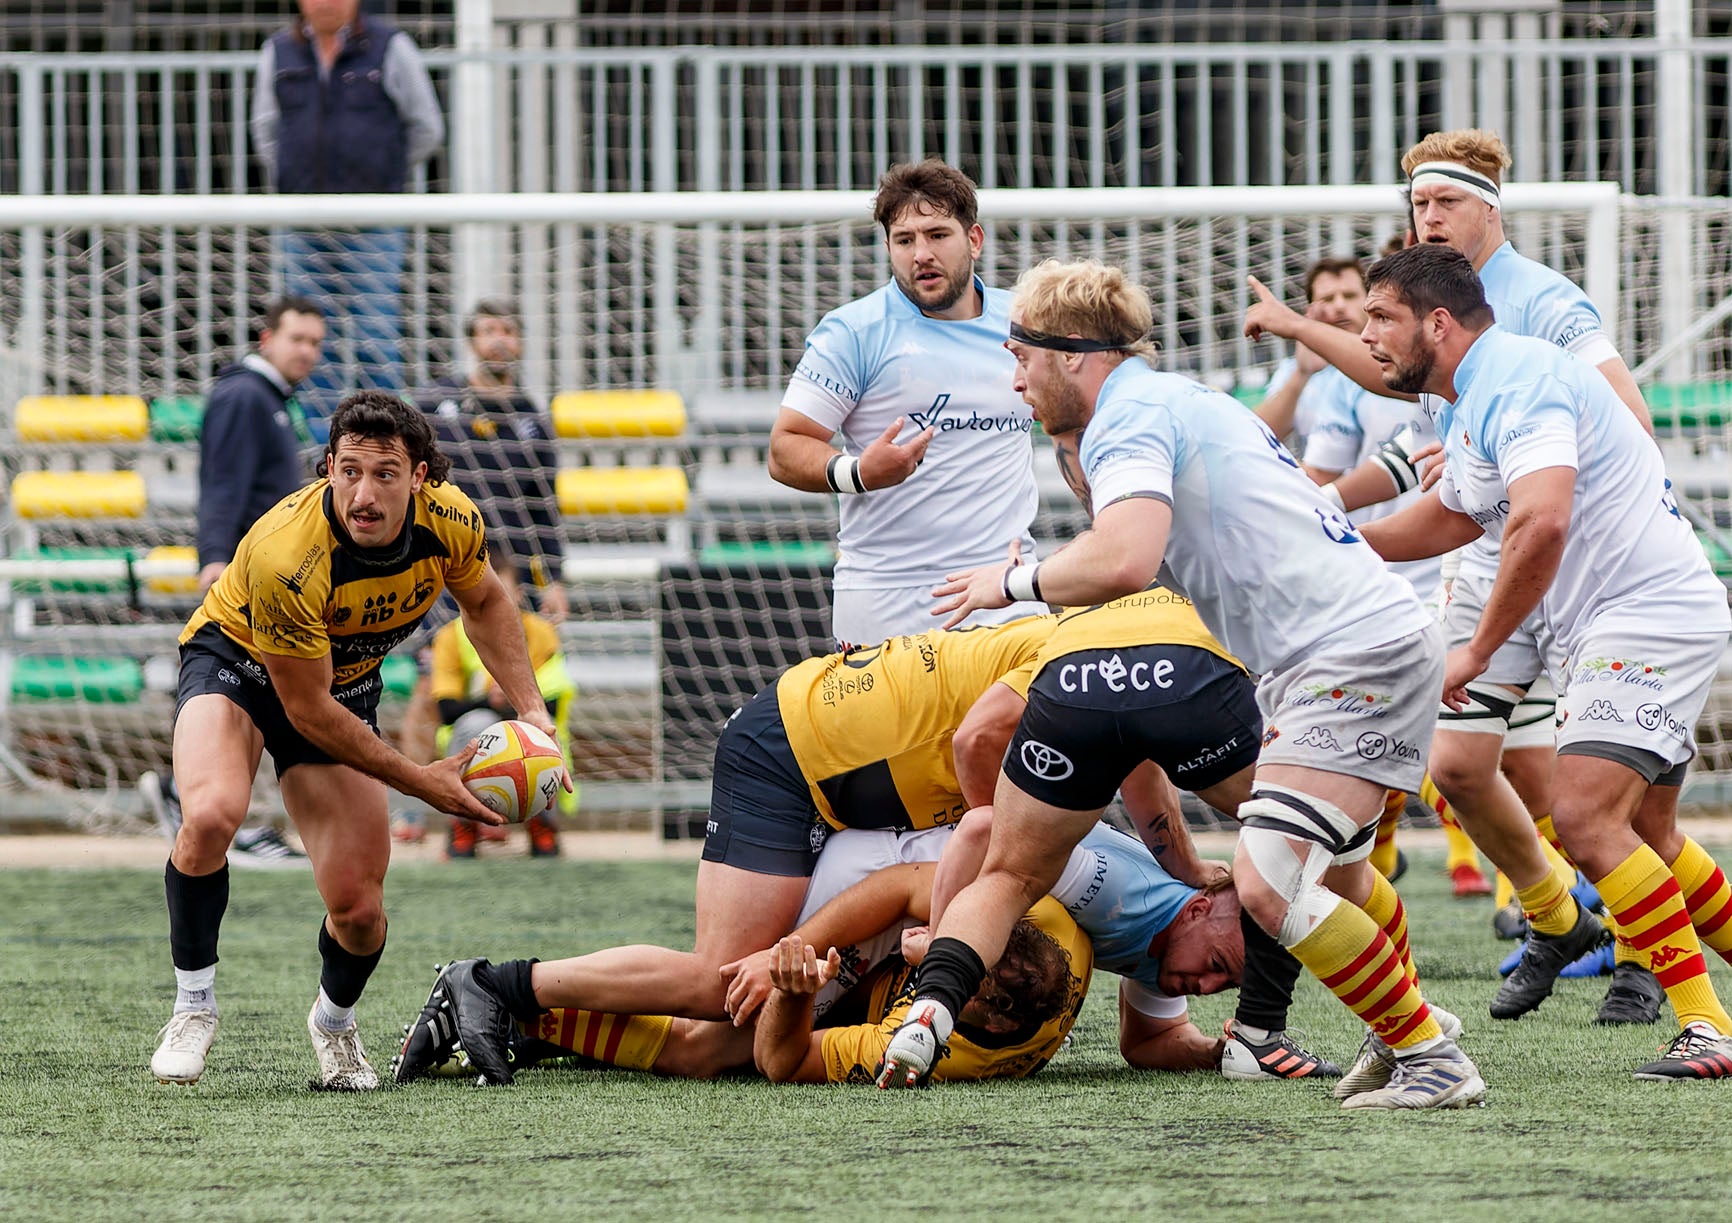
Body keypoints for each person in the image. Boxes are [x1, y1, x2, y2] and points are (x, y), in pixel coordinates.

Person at [891, 258, 1481, 1111]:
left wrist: (1009, 581)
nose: (1013, 375)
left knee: (1267, 882)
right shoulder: (1168, 401)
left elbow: (1125, 560)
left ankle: (1430, 1054)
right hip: (1355, 645)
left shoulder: (1129, 417)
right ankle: (1405, 1036)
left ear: (1076, 353)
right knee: (1345, 879)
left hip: (1345, 654)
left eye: (1022, 354)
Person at [1243, 128, 1659, 1025]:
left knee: (1602, 787)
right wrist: (1292, 327)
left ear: (1491, 207)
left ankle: (1644, 957)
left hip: (1579, 561)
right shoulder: (1425, 300)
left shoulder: (1546, 303)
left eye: (1448, 203)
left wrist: (1511, 463)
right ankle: (1555, 917)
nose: (1429, 217)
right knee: (1459, 762)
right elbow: (1396, 384)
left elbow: (1628, 415)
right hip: (1484, 550)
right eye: (1419, 205)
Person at [1355, 244, 1732, 1082]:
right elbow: (1454, 518)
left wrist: (1481, 651)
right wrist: (1341, 537)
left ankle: (1706, 1026)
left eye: (1381, 317)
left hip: (1645, 619)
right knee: (1652, 834)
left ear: (1439, 324)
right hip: (1625, 621)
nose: (1367, 335)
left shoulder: (1518, 376)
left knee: (1586, 815)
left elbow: (1542, 523)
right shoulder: (1469, 396)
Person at [147, 391, 563, 1092]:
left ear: (421, 477)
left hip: (342, 685)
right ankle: (193, 1005)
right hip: (238, 664)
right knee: (212, 814)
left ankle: (334, 1023)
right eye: (347, 472)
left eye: (384, 474)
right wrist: (418, 778)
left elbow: (488, 602)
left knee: (362, 911)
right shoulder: (289, 553)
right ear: (327, 469)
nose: (362, 494)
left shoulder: (452, 519)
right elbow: (303, 709)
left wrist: (532, 710)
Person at [767, 159, 1043, 647]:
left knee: (1005, 726)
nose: (922, 254)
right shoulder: (853, 332)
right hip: (887, 600)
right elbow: (785, 448)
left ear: (974, 240)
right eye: (905, 239)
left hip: (1005, 593)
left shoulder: (1025, 322)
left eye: (937, 235)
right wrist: (859, 474)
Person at [139, 296, 327, 869]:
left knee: (268, 698)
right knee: (242, 696)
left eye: (316, 343)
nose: (308, 352)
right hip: (247, 584)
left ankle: (200, 800)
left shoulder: (271, 399)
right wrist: (215, 557)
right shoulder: (244, 394)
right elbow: (222, 485)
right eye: (297, 339)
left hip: (280, 585)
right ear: (266, 338)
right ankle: (210, 808)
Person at [250, 0, 444, 415]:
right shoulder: (277, 51)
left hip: (374, 222)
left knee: (376, 334)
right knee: (309, 340)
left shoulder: (392, 47)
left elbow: (426, 126)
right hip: (302, 223)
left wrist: (379, 173)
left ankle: (383, 435)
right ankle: (322, 447)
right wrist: (297, 181)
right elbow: (266, 132)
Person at [432, 550, 573, 859]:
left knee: (538, 731)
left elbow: (554, 702)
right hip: (475, 728)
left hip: (528, 723)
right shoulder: (449, 636)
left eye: (501, 592)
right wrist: (489, 699)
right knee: (476, 725)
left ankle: (543, 823)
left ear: (519, 594)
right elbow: (445, 710)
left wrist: (513, 700)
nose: (490, 599)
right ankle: (464, 823)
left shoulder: (542, 634)